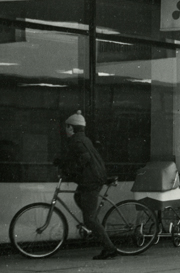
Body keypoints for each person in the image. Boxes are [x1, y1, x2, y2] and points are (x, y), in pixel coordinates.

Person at [56, 110, 116, 260]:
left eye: (66, 127)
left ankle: (109, 248)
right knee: (78, 197)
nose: (65, 130)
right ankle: (92, 221)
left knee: (89, 219)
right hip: (91, 179)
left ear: (71, 128)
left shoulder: (76, 141)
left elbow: (84, 157)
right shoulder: (83, 138)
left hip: (91, 181)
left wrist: (68, 171)